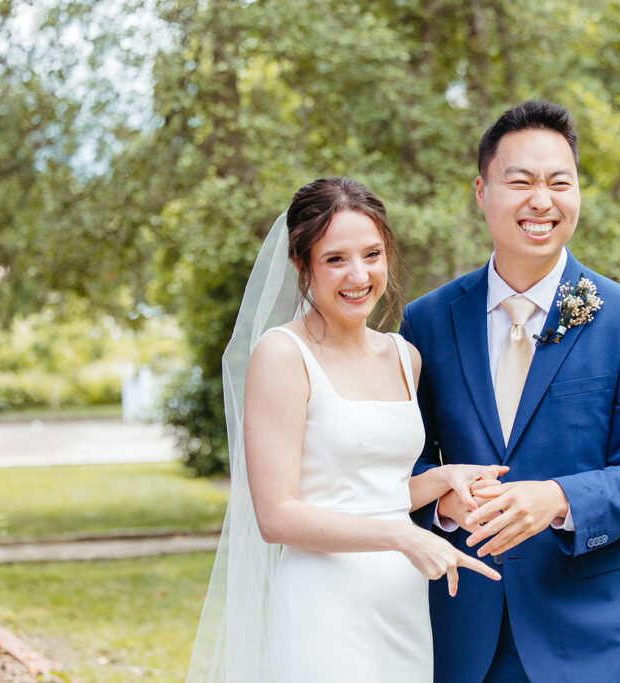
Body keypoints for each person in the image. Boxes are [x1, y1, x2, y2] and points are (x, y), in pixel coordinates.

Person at [401, 101, 620, 682]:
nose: (541, 200)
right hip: (461, 635)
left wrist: (557, 499)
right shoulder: (427, 323)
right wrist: (445, 500)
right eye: (520, 181)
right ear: (481, 191)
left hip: (591, 640)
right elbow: (405, 460)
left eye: (560, 182)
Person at [186, 177, 501, 682]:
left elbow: (376, 492)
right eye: (335, 259)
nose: (359, 275)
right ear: (301, 266)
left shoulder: (405, 356)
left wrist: (445, 478)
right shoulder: (283, 355)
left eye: (372, 254)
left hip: (401, 604)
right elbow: (276, 515)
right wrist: (402, 538)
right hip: (322, 606)